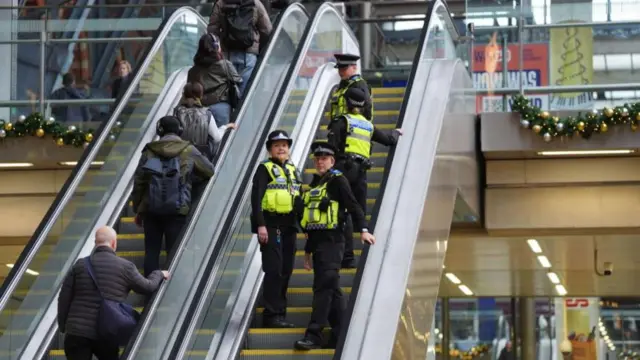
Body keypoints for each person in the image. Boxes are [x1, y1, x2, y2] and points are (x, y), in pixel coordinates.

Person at [294, 141, 374, 350]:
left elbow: (353, 205)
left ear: (332, 161)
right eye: (318, 159)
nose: (320, 162)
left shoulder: (338, 181)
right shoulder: (314, 185)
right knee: (332, 289)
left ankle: (314, 334)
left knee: (323, 286)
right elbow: (312, 223)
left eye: (325, 159)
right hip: (318, 244)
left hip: (334, 243)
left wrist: (363, 230)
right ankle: (341, 335)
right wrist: (308, 252)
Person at [57, 226, 169, 360]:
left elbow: (64, 298)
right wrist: (159, 273)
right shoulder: (125, 266)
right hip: (107, 330)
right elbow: (147, 287)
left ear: (95, 243)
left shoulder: (80, 265)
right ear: (114, 243)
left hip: (77, 331)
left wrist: (64, 326)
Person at [327, 87, 402, 268]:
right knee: (357, 210)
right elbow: (388, 140)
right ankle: (363, 234)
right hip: (361, 173)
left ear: (347, 102)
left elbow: (331, 148)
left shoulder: (341, 121)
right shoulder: (368, 125)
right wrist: (396, 133)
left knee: (342, 212)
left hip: (343, 170)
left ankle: (347, 256)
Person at [131, 116, 215, 276]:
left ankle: (150, 289)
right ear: (180, 130)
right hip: (178, 208)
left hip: (151, 209)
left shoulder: (149, 151)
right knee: (174, 252)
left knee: (151, 251)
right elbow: (209, 170)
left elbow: (139, 182)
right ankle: (171, 294)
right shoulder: (188, 150)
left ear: (159, 130)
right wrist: (191, 179)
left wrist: (138, 209)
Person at [250, 130, 302, 328]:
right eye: (277, 145)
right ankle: (271, 315)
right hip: (271, 226)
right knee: (274, 269)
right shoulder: (265, 169)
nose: (281, 148)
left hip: (290, 226)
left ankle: (280, 312)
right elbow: (256, 200)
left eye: (284, 145)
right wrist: (260, 225)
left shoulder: (291, 169)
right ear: (270, 149)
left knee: (286, 269)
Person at [208, 0, 272, 96]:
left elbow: (212, 29)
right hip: (249, 54)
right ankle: (243, 109)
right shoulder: (255, 3)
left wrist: (219, 45)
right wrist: (259, 47)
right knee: (246, 93)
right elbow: (267, 30)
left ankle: (231, 110)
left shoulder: (221, 3)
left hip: (227, 54)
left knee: (227, 92)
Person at [188, 33, 242, 127]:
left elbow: (189, 91)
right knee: (220, 139)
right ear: (217, 47)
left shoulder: (193, 71)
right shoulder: (225, 65)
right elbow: (238, 80)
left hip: (200, 110)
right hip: (220, 107)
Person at [174, 82, 237, 162]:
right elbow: (217, 138)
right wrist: (225, 127)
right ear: (201, 96)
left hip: (180, 156)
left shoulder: (177, 112)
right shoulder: (206, 114)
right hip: (199, 158)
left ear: (184, 94)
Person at [329, 53, 373, 122]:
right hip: (339, 127)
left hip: (352, 128)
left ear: (354, 68)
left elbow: (367, 108)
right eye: (339, 69)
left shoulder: (359, 84)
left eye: (344, 69)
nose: (340, 72)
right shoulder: (341, 86)